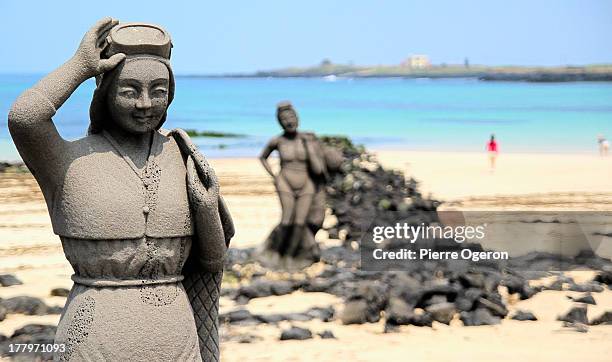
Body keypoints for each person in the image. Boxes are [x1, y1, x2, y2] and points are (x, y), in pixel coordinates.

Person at [8, 18, 233, 361]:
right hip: (94, 330)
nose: (145, 104)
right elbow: (25, 117)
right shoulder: (68, 161)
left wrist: (206, 210)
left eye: (158, 91)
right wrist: (80, 67)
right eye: (129, 91)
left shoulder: (182, 156)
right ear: (106, 92)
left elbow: (212, 260)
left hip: (175, 331)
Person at [259, 101, 327, 266]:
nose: (289, 121)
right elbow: (262, 157)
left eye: (292, 117)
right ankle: (277, 252)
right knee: (287, 219)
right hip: (285, 182)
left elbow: (318, 169)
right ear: (279, 122)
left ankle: (291, 255)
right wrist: (274, 176)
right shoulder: (278, 141)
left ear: (297, 118)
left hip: (306, 184)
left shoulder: (307, 140)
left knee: (299, 223)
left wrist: (308, 146)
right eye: (284, 119)